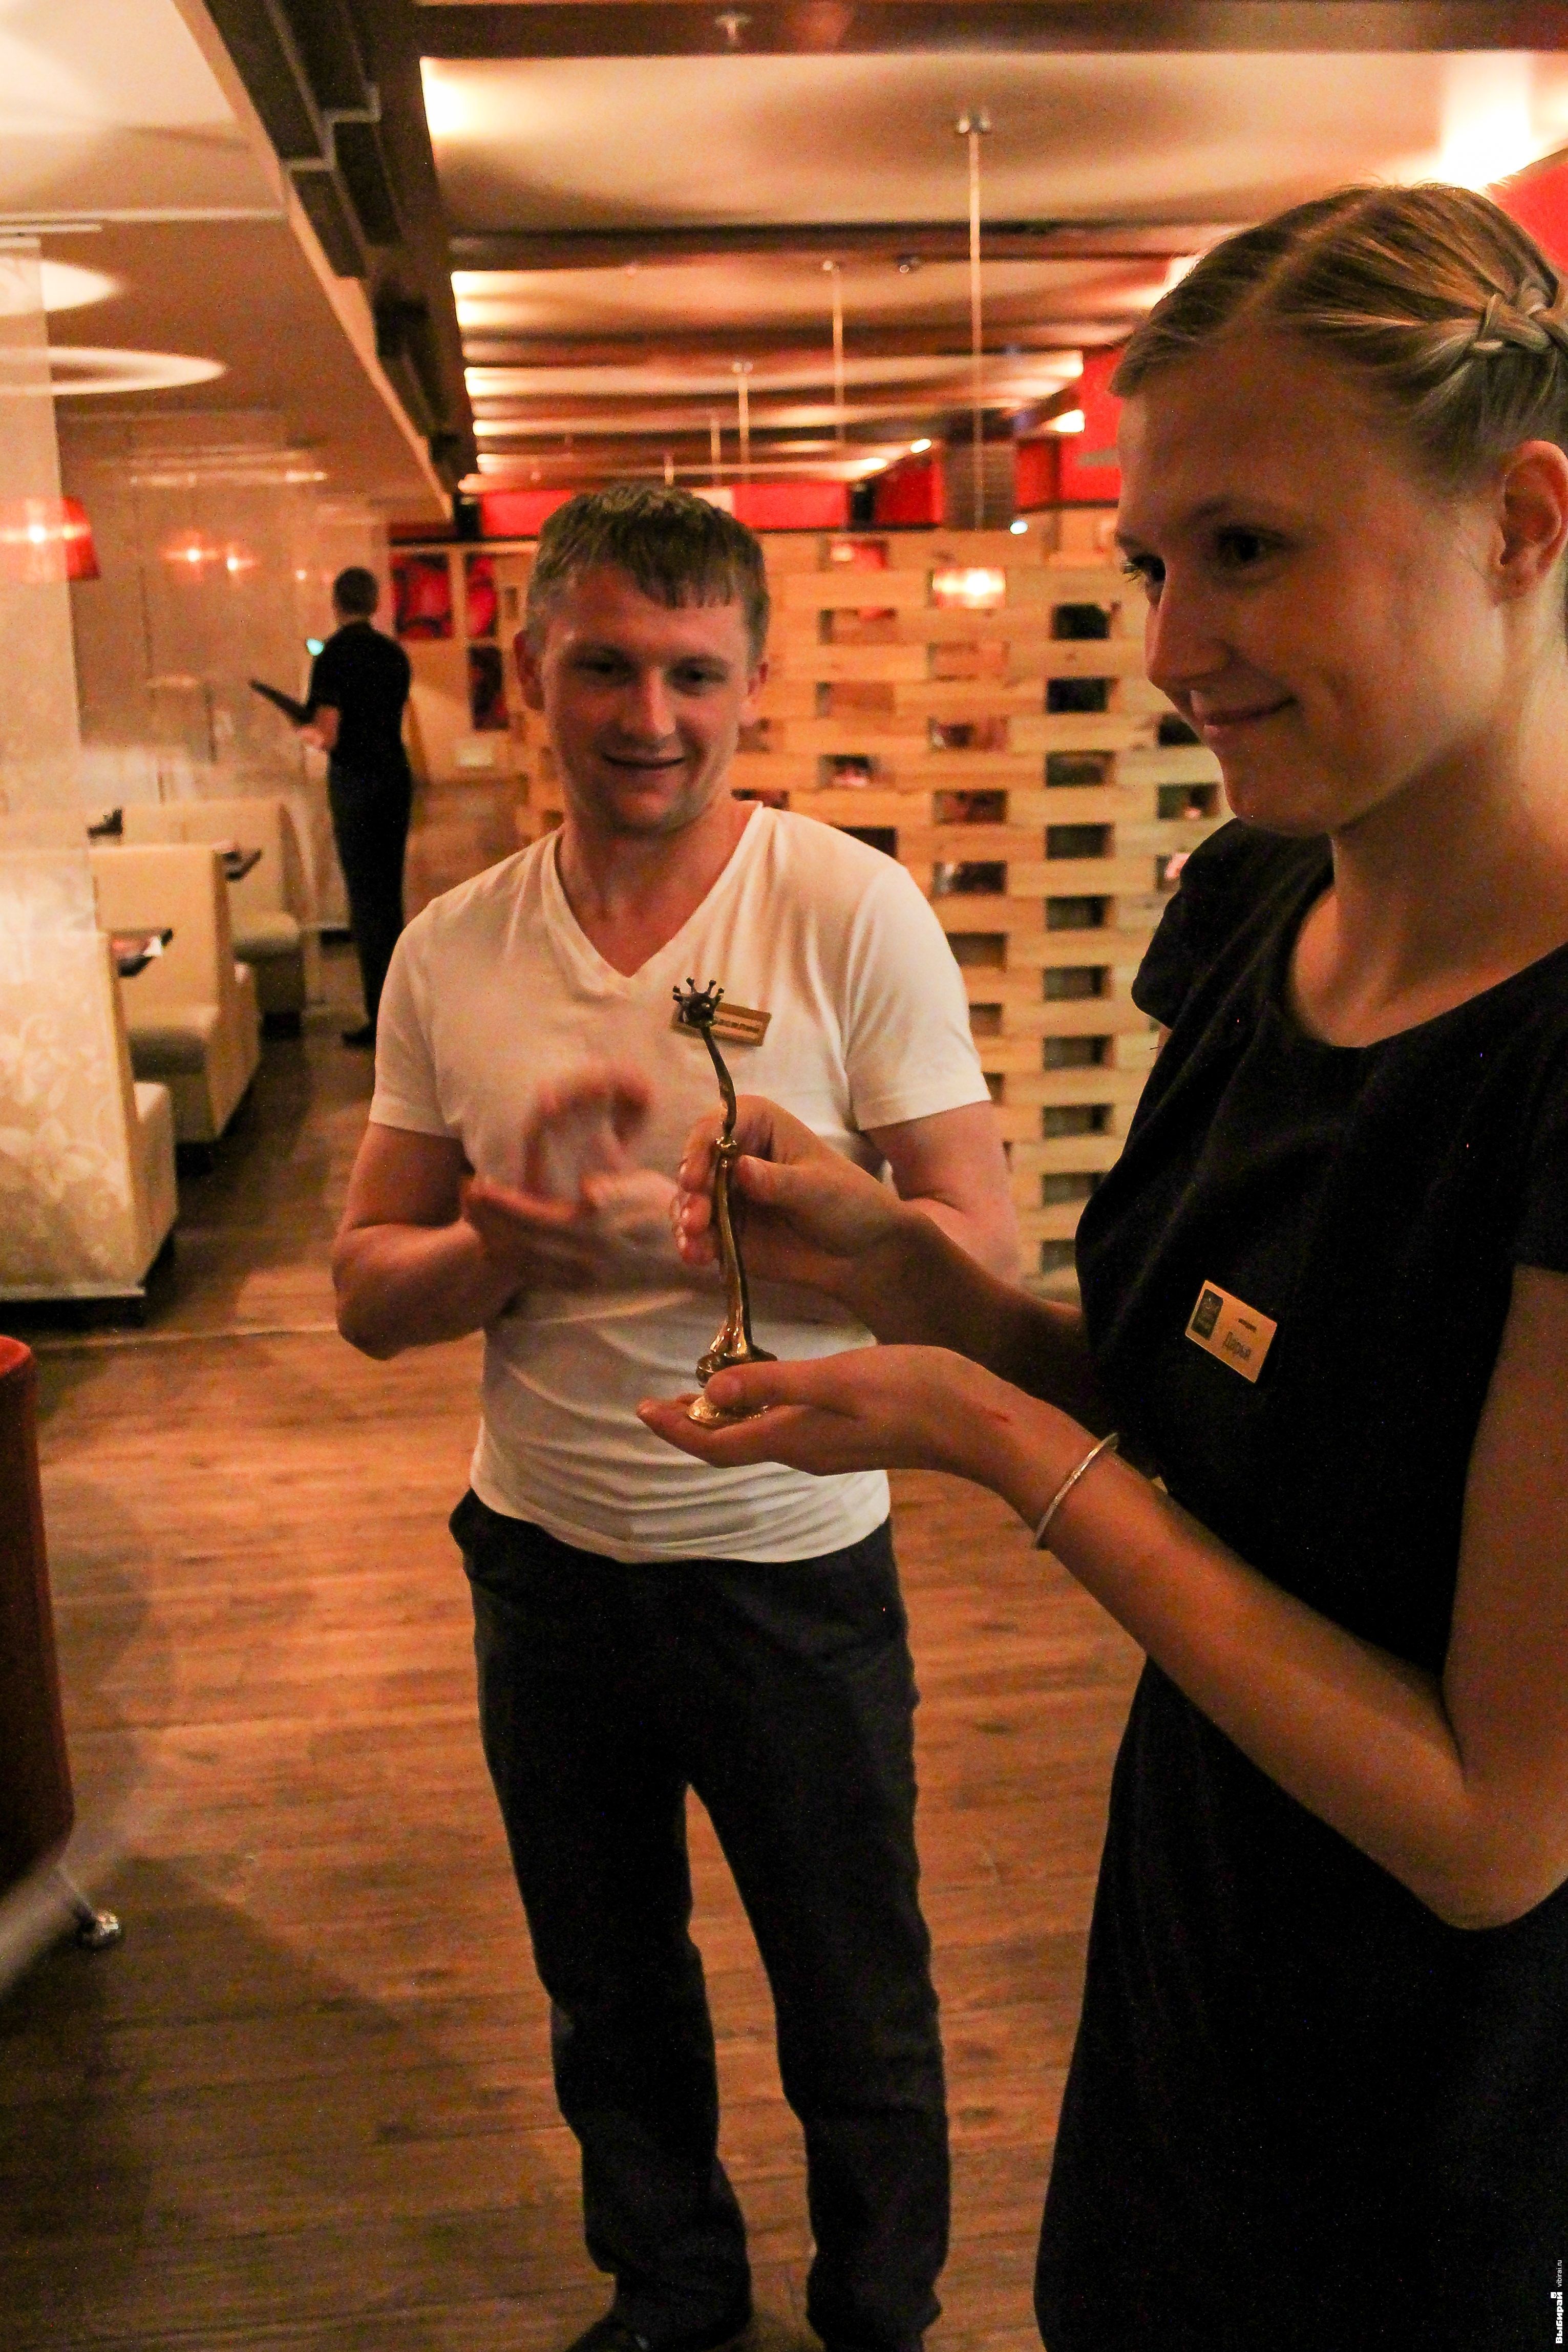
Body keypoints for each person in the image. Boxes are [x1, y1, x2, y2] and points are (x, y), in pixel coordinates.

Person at [642, 186, 1568, 2349]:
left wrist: (984, 1433)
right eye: (1153, 563)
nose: (1168, 648)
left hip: (1439, 2135)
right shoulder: (1257, 902)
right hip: (1194, 1989)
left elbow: (1490, 1822)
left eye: (1246, 547)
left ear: (1520, 524)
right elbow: (1222, 1417)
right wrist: (922, 1284)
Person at [330, 486, 1019, 2352]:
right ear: (529, 673)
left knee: (856, 1997)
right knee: (606, 1986)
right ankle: (674, 2290)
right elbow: (368, 1292)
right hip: (542, 1562)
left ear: (753, 683)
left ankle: (880, 2312)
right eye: (608, 667)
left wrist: (782, 1223)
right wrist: (507, 1244)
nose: (652, 716)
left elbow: (983, 1259)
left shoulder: (847, 907)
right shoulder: (450, 948)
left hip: (793, 1566)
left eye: (696, 673)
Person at [303, 564, 413, 1047]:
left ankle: (381, 1018)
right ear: (374, 603)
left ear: (336, 603)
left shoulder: (332, 656)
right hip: (395, 776)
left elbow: (327, 735)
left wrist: (302, 728)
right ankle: (405, 1012)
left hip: (355, 782)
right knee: (390, 897)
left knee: (365, 903)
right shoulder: (393, 654)